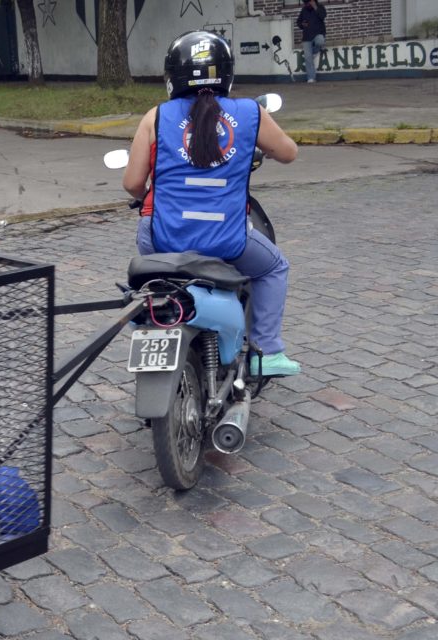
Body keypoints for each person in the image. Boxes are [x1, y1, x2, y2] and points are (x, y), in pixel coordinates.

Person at [121, 31, 302, 377]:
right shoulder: (250, 112)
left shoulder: (155, 117)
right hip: (226, 237)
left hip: (161, 238)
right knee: (273, 268)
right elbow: (289, 153)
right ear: (227, 74)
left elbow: (132, 184)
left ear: (172, 77)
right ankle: (266, 352)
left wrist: (149, 196)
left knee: (152, 278)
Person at [298, 0, 327, 83]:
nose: (308, 4)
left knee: (320, 41)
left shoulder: (320, 7)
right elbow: (298, 22)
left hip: (318, 33)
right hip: (307, 37)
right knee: (308, 58)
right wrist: (302, 24)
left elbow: (323, 16)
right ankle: (311, 77)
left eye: (309, 2)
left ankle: (314, 52)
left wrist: (315, 7)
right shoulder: (304, 10)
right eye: (306, 3)